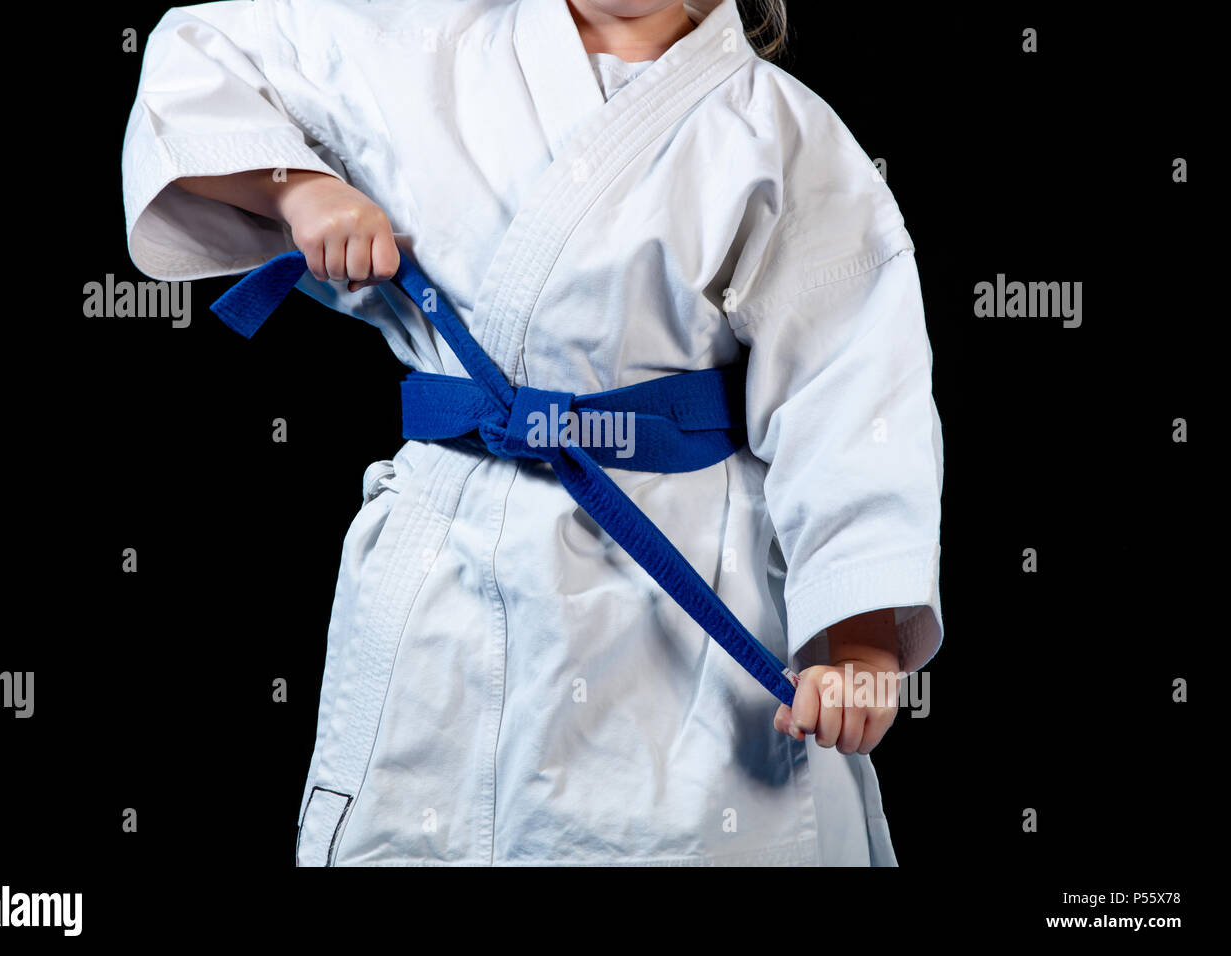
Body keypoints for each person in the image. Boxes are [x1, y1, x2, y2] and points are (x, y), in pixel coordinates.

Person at [122, 0, 945, 866]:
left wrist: (857, 636)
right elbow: (196, 54)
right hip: (452, 547)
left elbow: (852, 387)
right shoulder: (423, 45)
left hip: (682, 571)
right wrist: (297, 187)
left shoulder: (779, 130)